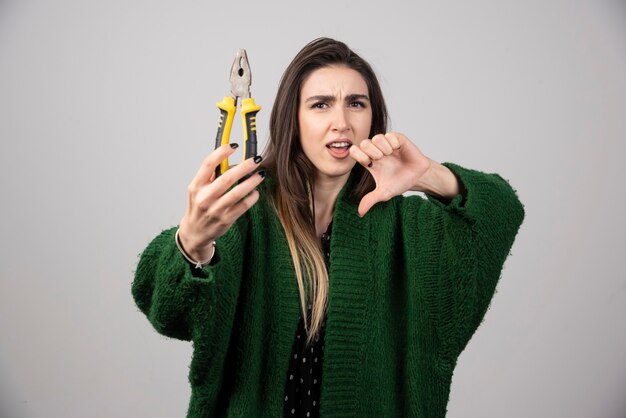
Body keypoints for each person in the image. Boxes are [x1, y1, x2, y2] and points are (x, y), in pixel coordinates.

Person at [132, 37, 524, 417]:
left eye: (356, 103)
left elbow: (501, 212)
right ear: (293, 118)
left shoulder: (405, 225)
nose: (342, 123)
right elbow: (164, 308)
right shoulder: (243, 210)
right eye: (320, 105)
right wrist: (192, 244)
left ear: (373, 117)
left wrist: (428, 176)